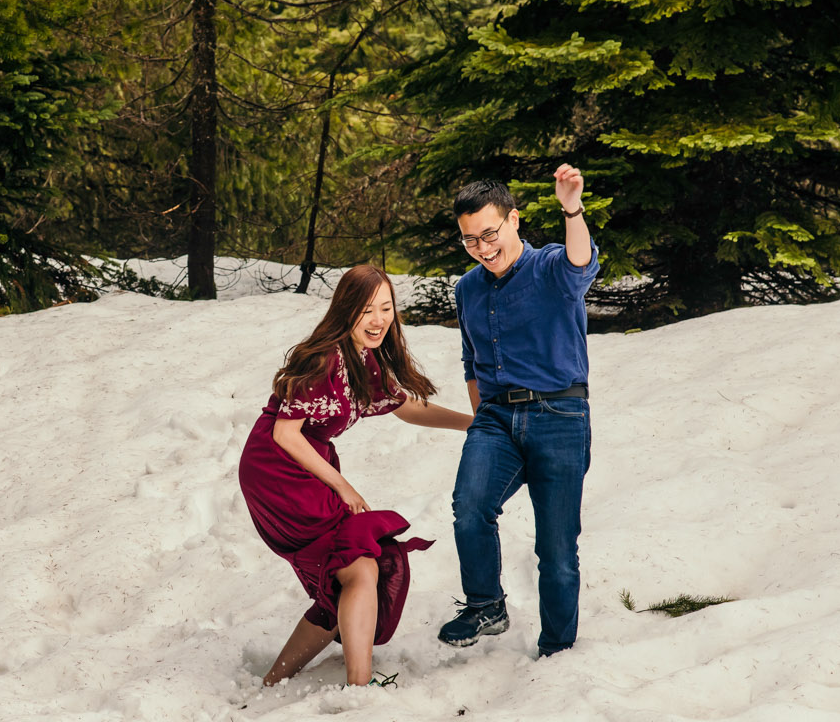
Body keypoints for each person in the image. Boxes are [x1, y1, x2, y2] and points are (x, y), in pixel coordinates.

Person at [240, 264, 474, 687]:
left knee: (354, 570)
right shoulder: (322, 358)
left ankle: (284, 681)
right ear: (347, 309)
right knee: (354, 563)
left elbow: (406, 407)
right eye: (368, 310)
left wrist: (472, 423)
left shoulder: (363, 361)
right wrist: (342, 485)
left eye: (386, 308)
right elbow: (284, 433)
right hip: (278, 471)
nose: (379, 319)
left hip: (310, 467)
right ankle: (359, 687)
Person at [439, 167, 599, 657]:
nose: (484, 248)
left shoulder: (550, 267)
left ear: (513, 220)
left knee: (555, 551)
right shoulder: (468, 289)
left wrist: (572, 209)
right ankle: (486, 603)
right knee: (470, 508)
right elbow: (471, 361)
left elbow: (581, 262)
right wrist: (481, 416)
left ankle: (557, 649)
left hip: (560, 418)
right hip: (496, 421)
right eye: (471, 241)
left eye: (490, 234)